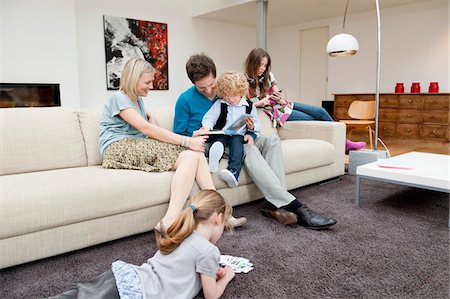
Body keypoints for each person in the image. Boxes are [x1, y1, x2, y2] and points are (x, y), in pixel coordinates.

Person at [174, 53, 337, 229]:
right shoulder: (184, 100)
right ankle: (297, 207)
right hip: (214, 142)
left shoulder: (225, 91)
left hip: (238, 136)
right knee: (249, 150)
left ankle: (275, 204)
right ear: (193, 83)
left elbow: (246, 111)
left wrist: (251, 132)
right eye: (201, 88)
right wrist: (196, 135)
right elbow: (178, 135)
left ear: (216, 76)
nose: (208, 91)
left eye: (211, 85)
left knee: (272, 140)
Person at [98, 58, 245, 241]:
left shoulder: (137, 101)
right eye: (147, 82)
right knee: (191, 152)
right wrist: (185, 141)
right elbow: (145, 129)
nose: (151, 86)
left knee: (196, 155)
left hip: (135, 144)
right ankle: (169, 220)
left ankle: (220, 211)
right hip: (118, 147)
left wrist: (152, 123)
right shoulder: (119, 98)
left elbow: (146, 129)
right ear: (133, 79)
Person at [51, 190, 235, 299]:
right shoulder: (210, 251)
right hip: (139, 294)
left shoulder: (181, 232)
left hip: (123, 279)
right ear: (218, 219)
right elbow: (211, 296)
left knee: (75, 294)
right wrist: (227, 276)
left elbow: (181, 268)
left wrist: (210, 273)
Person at [244, 48, 366, 153]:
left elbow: (276, 91)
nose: (262, 69)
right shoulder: (244, 80)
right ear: (253, 63)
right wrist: (261, 102)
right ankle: (344, 143)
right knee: (315, 120)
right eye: (260, 65)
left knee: (321, 111)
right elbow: (243, 105)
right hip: (274, 112)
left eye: (265, 66)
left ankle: (344, 142)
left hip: (282, 105)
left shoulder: (268, 75)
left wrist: (278, 97)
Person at [197, 71, 260, 188]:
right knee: (219, 140)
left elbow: (257, 125)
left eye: (233, 95)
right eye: (227, 96)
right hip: (222, 132)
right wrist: (207, 127)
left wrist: (252, 127)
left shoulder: (249, 106)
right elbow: (209, 117)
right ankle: (214, 158)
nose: (230, 99)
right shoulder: (220, 103)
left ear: (241, 92)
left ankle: (233, 172)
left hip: (238, 134)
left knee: (237, 145)